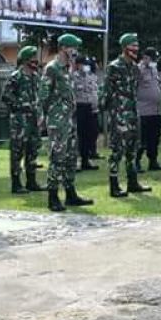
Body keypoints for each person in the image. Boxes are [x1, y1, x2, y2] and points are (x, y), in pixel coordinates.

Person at [41, 34, 93, 212]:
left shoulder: (68, 69)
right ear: (64, 48)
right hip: (58, 120)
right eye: (73, 48)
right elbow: (44, 95)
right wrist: (50, 116)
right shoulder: (52, 68)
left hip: (70, 119)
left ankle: (70, 193)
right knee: (57, 157)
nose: (75, 52)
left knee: (71, 157)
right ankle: (53, 195)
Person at [102, 33, 151, 198]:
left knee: (133, 150)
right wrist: (109, 112)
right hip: (119, 115)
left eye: (137, 46)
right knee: (117, 151)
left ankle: (132, 182)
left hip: (132, 113)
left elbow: (135, 90)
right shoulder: (114, 67)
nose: (135, 49)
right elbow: (106, 92)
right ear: (124, 48)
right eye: (132, 46)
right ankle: (114, 185)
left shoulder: (135, 68)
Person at [1, 46, 43, 195]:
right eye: (32, 59)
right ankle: (16, 183)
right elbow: (6, 96)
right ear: (25, 60)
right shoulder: (16, 77)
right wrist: (20, 105)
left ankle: (31, 181)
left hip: (33, 119)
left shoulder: (36, 77)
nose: (35, 62)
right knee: (17, 152)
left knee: (33, 150)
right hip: (19, 120)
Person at [135, 46, 161, 172]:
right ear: (145, 58)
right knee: (142, 139)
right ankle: (136, 162)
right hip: (143, 110)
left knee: (155, 137)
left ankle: (153, 161)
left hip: (155, 110)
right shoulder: (138, 69)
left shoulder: (154, 69)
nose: (154, 61)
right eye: (152, 58)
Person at [71, 55, 100, 171]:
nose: (86, 66)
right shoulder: (73, 77)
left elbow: (94, 91)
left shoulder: (91, 77)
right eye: (84, 64)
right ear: (78, 65)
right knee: (79, 136)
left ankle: (86, 159)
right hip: (79, 108)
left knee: (92, 133)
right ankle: (75, 161)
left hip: (91, 108)